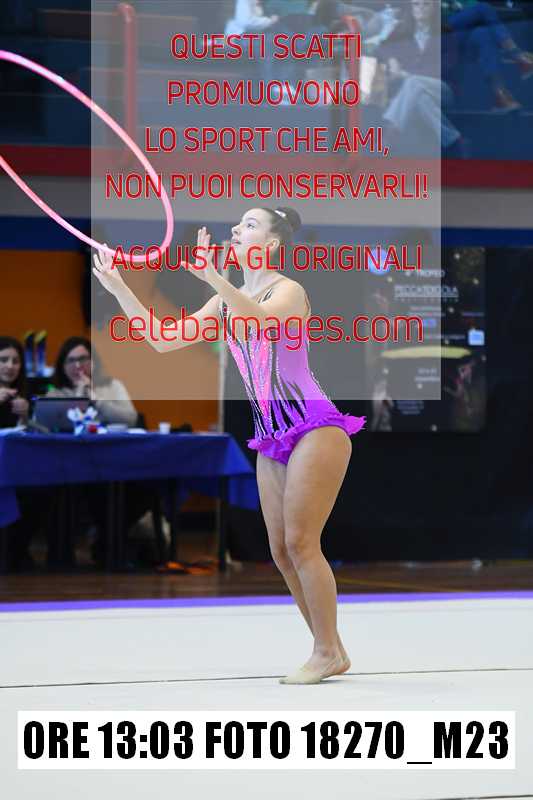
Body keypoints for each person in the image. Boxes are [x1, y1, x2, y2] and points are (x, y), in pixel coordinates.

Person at [93, 208, 366, 684]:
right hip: (272, 436)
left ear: (273, 244)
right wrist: (120, 289)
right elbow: (162, 340)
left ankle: (325, 651)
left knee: (302, 542)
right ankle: (331, 649)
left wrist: (215, 279)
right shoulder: (223, 302)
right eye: (238, 224)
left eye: (250, 225)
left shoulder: (288, 291)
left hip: (314, 426)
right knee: (281, 550)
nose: (237, 229)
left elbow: (258, 319)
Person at [443, 0, 533, 112]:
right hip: (440, 26)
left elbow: (469, 8)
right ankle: (517, 56)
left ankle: (500, 95)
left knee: (483, 34)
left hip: (461, 31)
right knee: (484, 8)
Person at [0, 336, 41, 569]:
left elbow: (36, 433)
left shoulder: (25, 392)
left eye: (15, 361)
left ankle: (17, 551)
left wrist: (26, 416)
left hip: (19, 466)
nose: (10, 366)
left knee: (40, 491)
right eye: (3, 360)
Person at [46, 336, 137, 427]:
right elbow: (48, 425)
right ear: (63, 367)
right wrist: (79, 397)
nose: (78, 366)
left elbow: (131, 419)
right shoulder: (55, 394)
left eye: (82, 359)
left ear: (94, 362)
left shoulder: (113, 385)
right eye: (71, 360)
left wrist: (97, 401)